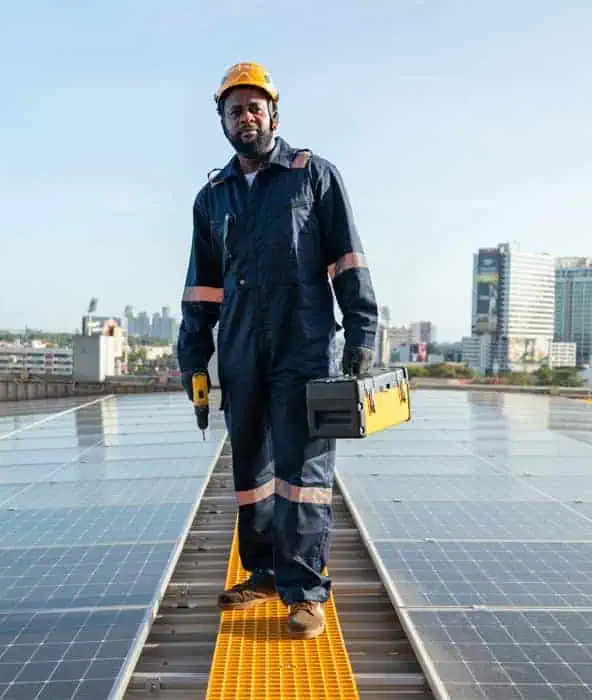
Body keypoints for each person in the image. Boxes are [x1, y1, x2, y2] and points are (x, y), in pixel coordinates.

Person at [177, 61, 378, 640]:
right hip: (241, 350)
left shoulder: (313, 176)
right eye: (234, 109)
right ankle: (263, 572)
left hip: (305, 345)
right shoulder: (210, 198)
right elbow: (201, 286)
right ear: (222, 119)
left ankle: (306, 588)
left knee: (304, 472)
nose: (246, 117)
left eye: (254, 107)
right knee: (252, 473)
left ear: (274, 114)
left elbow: (349, 261)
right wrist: (193, 359)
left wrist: (363, 336)